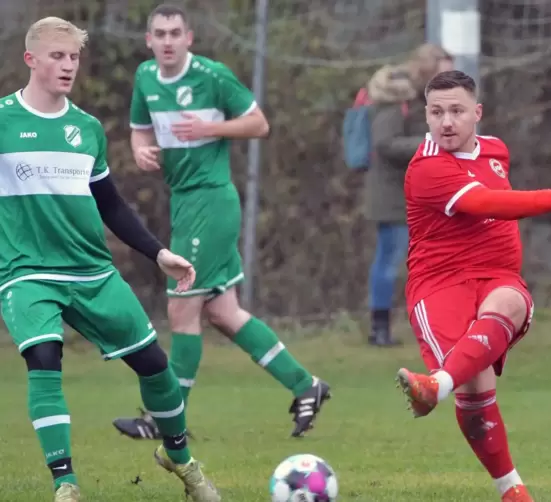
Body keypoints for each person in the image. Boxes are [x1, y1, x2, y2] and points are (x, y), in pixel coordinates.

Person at [0, 17, 220, 502]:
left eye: (74, 57)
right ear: (30, 59)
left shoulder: (87, 128)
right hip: (26, 271)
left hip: (92, 272)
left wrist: (158, 253)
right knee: (43, 356)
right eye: (57, 56)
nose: (68, 65)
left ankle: (181, 460)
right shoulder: (3, 121)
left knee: (155, 367)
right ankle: (66, 485)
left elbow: (112, 205)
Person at [112, 3, 330, 441]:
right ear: (149, 40)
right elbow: (139, 129)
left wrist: (211, 130)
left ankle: (165, 419)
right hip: (184, 202)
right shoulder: (146, 78)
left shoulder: (211, 76)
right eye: (161, 33)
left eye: (176, 32)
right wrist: (140, 148)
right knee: (224, 312)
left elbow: (259, 124)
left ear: (189, 38)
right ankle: (306, 386)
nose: (169, 41)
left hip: (210, 202)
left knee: (181, 308)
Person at [395, 70, 551, 502]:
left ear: (477, 113)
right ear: (426, 117)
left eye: (456, 111)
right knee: (475, 395)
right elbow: (486, 203)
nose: (446, 122)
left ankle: (435, 387)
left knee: (511, 302)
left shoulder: (495, 151)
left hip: (496, 278)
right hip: (440, 286)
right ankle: (510, 488)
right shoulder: (427, 168)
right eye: (436, 112)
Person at [364, 43, 454, 346]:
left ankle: (437, 324)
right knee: (389, 260)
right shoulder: (397, 98)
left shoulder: (423, 101)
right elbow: (385, 143)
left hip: (419, 194)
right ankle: (379, 328)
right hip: (392, 195)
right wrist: (430, 142)